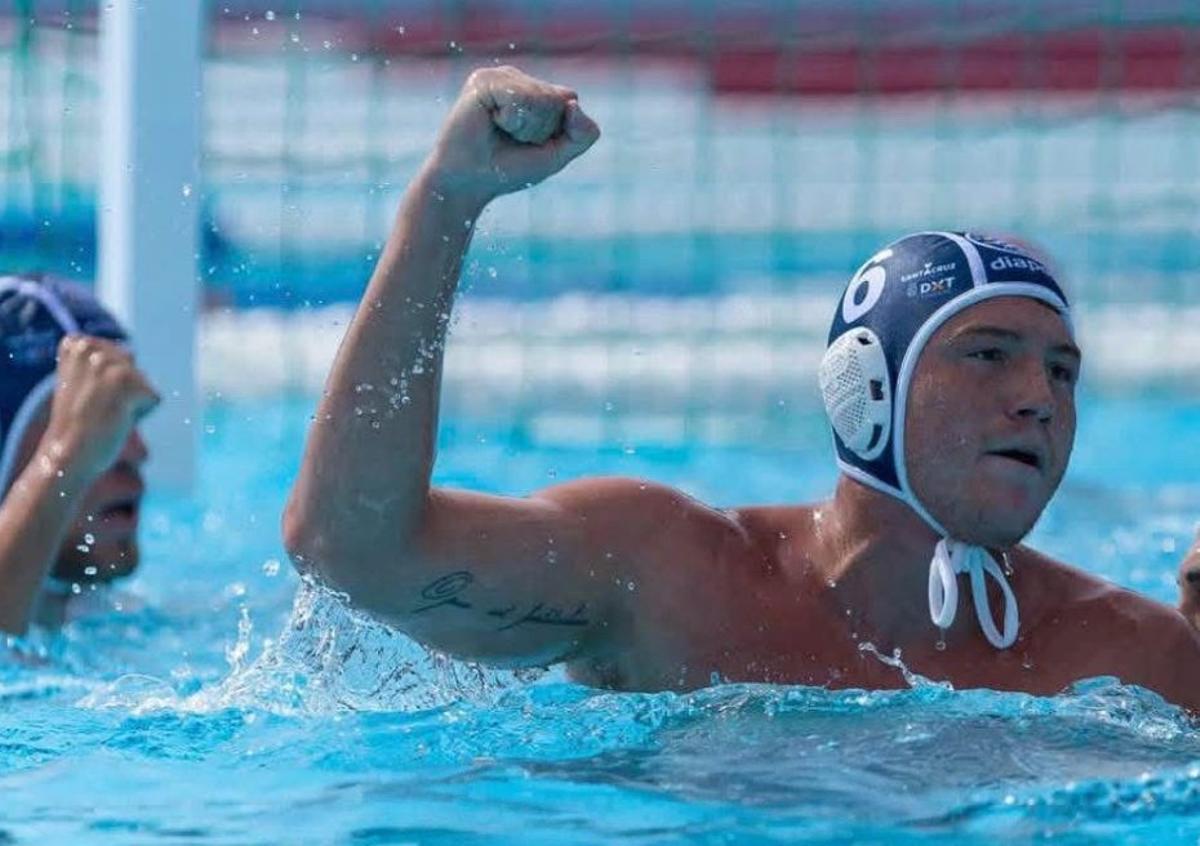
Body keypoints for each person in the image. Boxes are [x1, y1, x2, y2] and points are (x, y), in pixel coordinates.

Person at [283, 66, 1200, 708]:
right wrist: (444, 204)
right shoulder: (664, 576)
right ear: (866, 388)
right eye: (989, 354)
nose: (1039, 395)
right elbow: (352, 549)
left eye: (1062, 370)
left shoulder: (1130, 656)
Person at [0, 274, 158, 635]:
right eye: (83, 420)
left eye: (126, 415)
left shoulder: (115, 623)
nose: (135, 451)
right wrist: (64, 459)